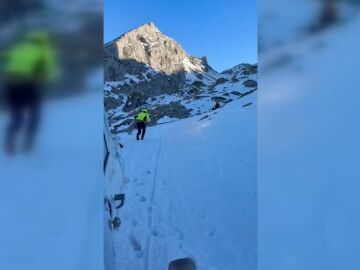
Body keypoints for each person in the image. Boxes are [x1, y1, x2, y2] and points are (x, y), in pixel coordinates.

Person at [2, 31, 57, 154]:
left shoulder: (17, 49)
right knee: (35, 114)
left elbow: (3, 60)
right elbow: (49, 73)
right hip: (28, 86)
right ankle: (28, 143)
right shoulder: (43, 51)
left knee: (17, 115)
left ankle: (10, 141)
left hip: (11, 85)